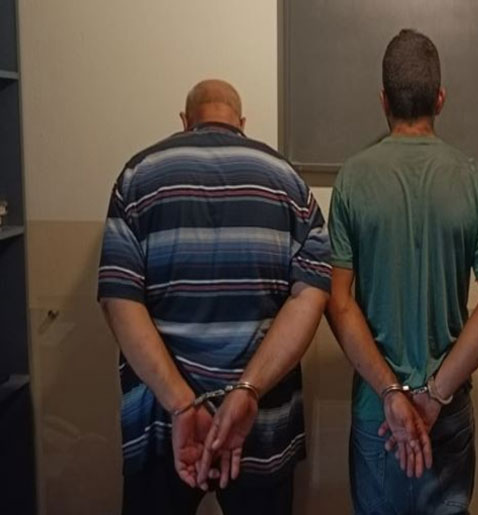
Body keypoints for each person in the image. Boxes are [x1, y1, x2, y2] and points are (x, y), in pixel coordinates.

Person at [98, 79, 331, 515]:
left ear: (185, 121)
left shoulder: (137, 177)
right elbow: (310, 297)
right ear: (241, 122)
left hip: (162, 423)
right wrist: (247, 390)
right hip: (259, 423)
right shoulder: (289, 182)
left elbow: (119, 300)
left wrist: (181, 403)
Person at [326, 30, 478, 514]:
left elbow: (338, 302)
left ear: (383, 101)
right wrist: (434, 394)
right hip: (445, 410)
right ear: (440, 99)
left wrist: (392, 392)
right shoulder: (473, 178)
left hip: (378, 412)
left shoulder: (351, 178)